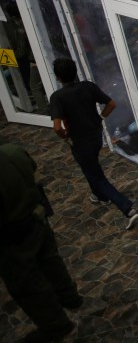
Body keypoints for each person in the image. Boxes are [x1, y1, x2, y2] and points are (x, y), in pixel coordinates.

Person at [0, 142, 82, 342]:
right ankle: (70, 296)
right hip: (37, 218)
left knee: (28, 284)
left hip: (12, 236)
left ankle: (58, 327)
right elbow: (32, 167)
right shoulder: (12, 152)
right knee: (51, 260)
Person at [48, 58, 138, 230]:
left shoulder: (57, 97)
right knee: (90, 168)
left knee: (96, 176)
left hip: (80, 141)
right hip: (96, 135)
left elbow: (56, 127)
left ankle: (127, 208)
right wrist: (100, 118)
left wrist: (65, 136)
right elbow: (111, 104)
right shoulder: (88, 86)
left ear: (58, 77)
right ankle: (99, 196)